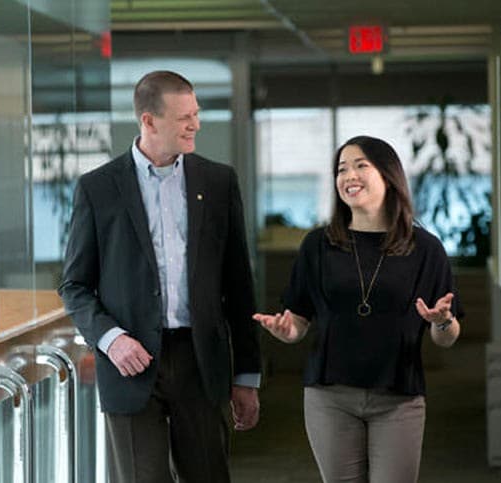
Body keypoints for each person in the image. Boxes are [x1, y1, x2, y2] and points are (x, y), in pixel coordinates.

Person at [59, 70, 261, 482]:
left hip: (200, 360)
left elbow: (239, 286)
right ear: (149, 121)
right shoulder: (98, 188)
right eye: (184, 117)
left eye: (196, 114)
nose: (196, 125)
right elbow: (75, 286)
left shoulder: (218, 182)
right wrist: (111, 340)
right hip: (129, 364)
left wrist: (246, 376)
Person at [253, 135, 463, 483]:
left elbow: (447, 339)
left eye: (361, 165)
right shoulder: (317, 245)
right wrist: (287, 331)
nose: (349, 175)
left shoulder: (425, 248)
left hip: (398, 396)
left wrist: (442, 322)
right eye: (341, 169)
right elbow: (299, 321)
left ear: (389, 176)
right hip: (329, 396)